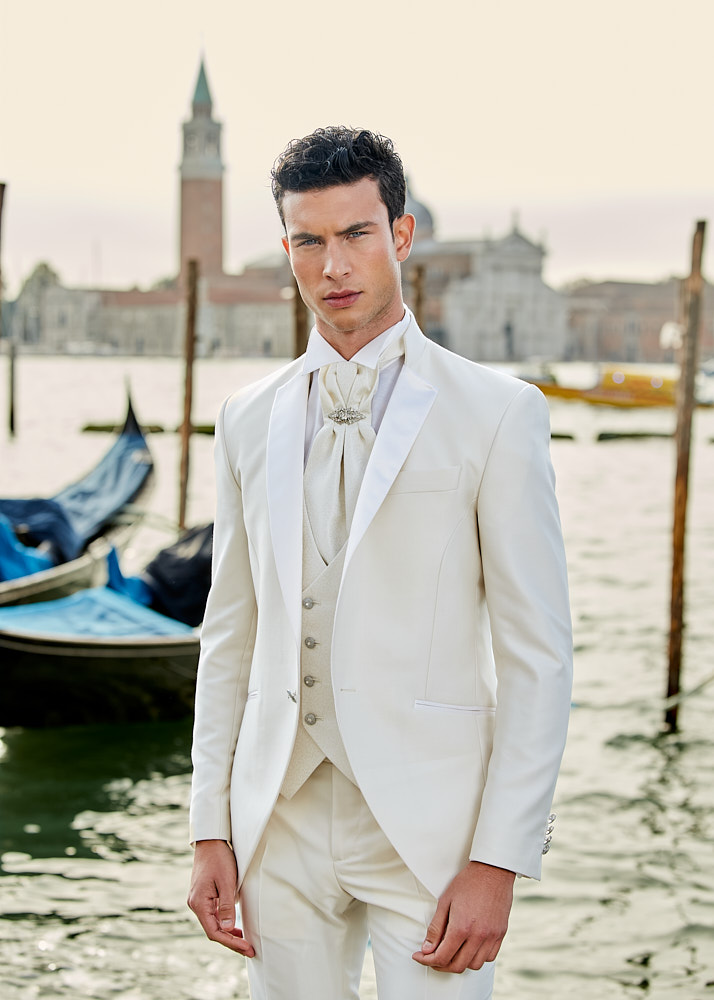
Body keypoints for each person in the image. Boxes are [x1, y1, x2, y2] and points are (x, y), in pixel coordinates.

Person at [188, 127, 572, 1000]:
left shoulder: (499, 414)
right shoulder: (247, 417)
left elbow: (538, 658)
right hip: (275, 822)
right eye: (309, 241)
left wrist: (500, 857)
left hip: (431, 833)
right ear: (287, 248)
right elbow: (229, 636)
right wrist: (211, 824)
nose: (334, 266)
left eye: (357, 233)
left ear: (401, 235)